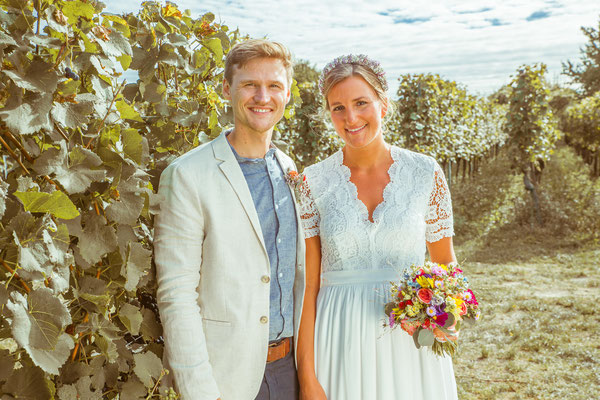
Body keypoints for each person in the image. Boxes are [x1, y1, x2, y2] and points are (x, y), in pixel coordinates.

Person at [296, 54, 458, 400]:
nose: (350, 118)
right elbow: (308, 287)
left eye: (360, 103)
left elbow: (445, 264)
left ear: (383, 105)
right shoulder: (313, 181)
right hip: (337, 338)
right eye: (337, 108)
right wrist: (307, 377)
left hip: (408, 343)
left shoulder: (425, 173)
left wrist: (448, 317)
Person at [154, 39, 306, 400]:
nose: (262, 96)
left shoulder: (289, 168)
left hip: (291, 370)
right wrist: (202, 391)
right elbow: (176, 294)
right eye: (250, 85)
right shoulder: (188, 174)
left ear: (287, 95)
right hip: (225, 377)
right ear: (227, 89)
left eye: (273, 86)